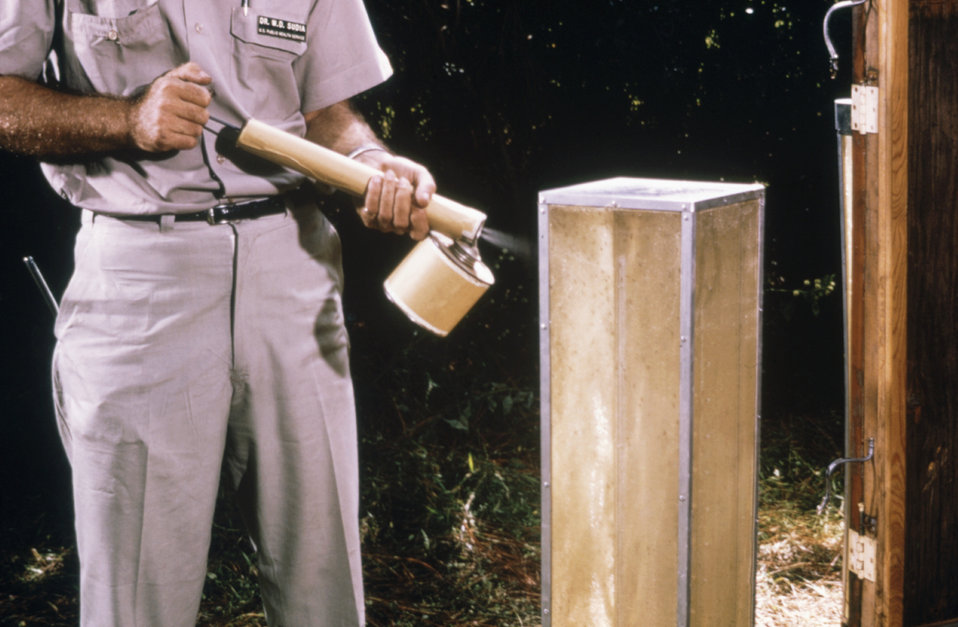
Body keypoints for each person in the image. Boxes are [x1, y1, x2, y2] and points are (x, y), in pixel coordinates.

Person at [0, 1, 436, 625]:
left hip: (293, 265)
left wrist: (369, 165)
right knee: (136, 595)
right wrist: (129, 119)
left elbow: (328, 115)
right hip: (143, 272)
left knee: (323, 580)